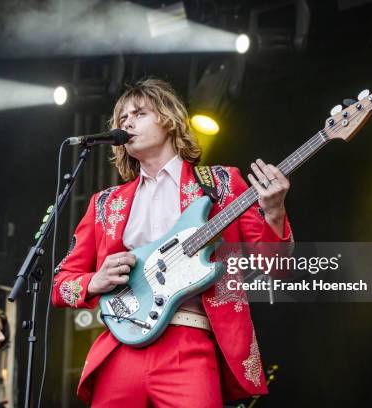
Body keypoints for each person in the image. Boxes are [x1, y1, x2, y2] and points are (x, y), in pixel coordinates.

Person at [51, 78, 293, 407]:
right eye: (122, 120)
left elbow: (274, 268)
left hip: (190, 343)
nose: (127, 123)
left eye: (139, 114)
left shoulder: (221, 184)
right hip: (122, 348)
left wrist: (275, 213)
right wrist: (94, 281)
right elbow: (60, 284)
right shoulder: (105, 203)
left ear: (168, 119)